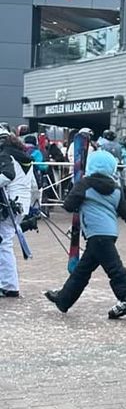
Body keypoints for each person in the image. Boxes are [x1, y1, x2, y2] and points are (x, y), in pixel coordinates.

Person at [44, 149, 126, 319]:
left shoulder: (85, 184)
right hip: (108, 233)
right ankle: (64, 299)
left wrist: (76, 193)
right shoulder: (115, 188)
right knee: (82, 270)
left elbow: (69, 205)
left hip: (96, 234)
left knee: (115, 269)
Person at [0, 127, 40, 297]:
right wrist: (32, 207)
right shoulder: (26, 158)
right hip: (20, 206)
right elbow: (34, 187)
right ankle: (8, 283)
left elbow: (7, 176)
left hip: (8, 204)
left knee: (4, 244)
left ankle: (9, 285)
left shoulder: (5, 155)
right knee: (5, 242)